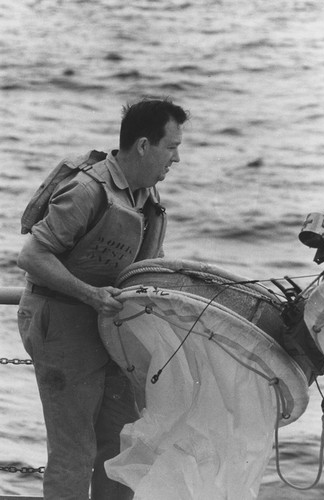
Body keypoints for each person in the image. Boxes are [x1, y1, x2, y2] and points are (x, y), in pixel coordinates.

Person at [17, 98, 189, 500]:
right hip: (63, 328)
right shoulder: (85, 190)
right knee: (74, 455)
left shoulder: (146, 197)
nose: (177, 158)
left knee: (121, 449)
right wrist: (91, 295)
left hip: (113, 334)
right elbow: (32, 256)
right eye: (172, 147)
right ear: (144, 146)